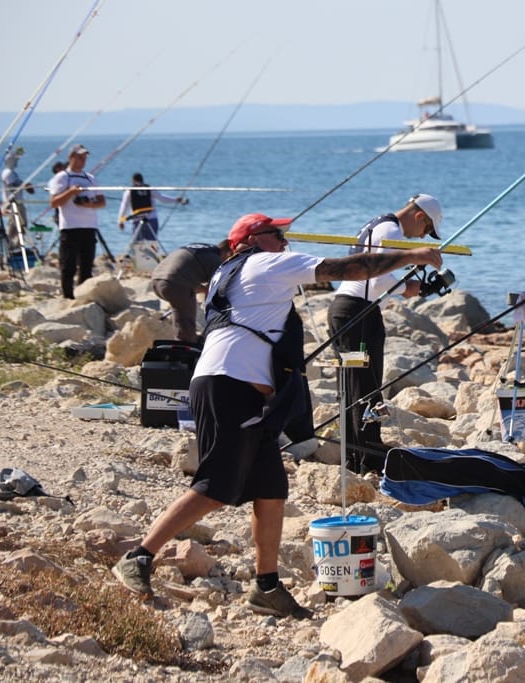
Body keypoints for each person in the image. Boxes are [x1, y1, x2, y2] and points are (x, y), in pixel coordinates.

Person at [112, 212, 442, 618]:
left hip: (238, 388)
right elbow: (350, 269)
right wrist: (413, 257)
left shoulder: (228, 271)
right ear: (252, 240)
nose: (285, 241)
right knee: (216, 487)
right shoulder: (264, 262)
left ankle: (266, 587)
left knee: (271, 489)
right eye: (277, 234)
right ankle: (139, 556)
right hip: (228, 385)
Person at [327, 193, 443, 473]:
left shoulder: (376, 225)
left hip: (347, 311)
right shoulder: (391, 231)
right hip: (358, 315)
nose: (422, 237)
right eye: (426, 229)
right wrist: (409, 289)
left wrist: (404, 285)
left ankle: (355, 455)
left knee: (352, 382)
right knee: (365, 384)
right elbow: (376, 278)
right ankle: (369, 456)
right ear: (419, 216)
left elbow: (372, 272)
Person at [49, 144, 105, 299]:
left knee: (86, 266)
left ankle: (83, 296)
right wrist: (71, 192)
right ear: (71, 157)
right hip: (70, 227)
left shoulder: (91, 178)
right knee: (68, 266)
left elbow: (102, 201)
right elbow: (54, 202)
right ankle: (67, 296)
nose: (83, 160)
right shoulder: (62, 177)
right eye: (80, 156)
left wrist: (89, 204)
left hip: (89, 227)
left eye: (85, 157)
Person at [150, 240, 231, 344]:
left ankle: (187, 342)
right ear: (229, 253)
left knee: (181, 312)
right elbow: (213, 295)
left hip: (156, 280)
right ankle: (186, 349)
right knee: (186, 324)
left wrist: (204, 290)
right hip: (176, 284)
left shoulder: (204, 249)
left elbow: (187, 273)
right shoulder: (217, 262)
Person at [118, 172, 187, 241]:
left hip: (137, 220)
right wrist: (175, 200)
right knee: (152, 244)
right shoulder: (150, 189)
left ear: (133, 181)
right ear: (142, 180)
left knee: (137, 245)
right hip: (151, 219)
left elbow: (124, 206)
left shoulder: (129, 191)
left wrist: (121, 221)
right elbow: (163, 199)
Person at [0, 147, 35, 248]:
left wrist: (26, 186)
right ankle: (12, 246)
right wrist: (24, 185)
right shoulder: (8, 173)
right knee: (14, 226)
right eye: (15, 159)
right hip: (13, 204)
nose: (16, 162)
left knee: (21, 225)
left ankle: (18, 245)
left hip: (18, 203)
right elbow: (12, 187)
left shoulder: (13, 173)